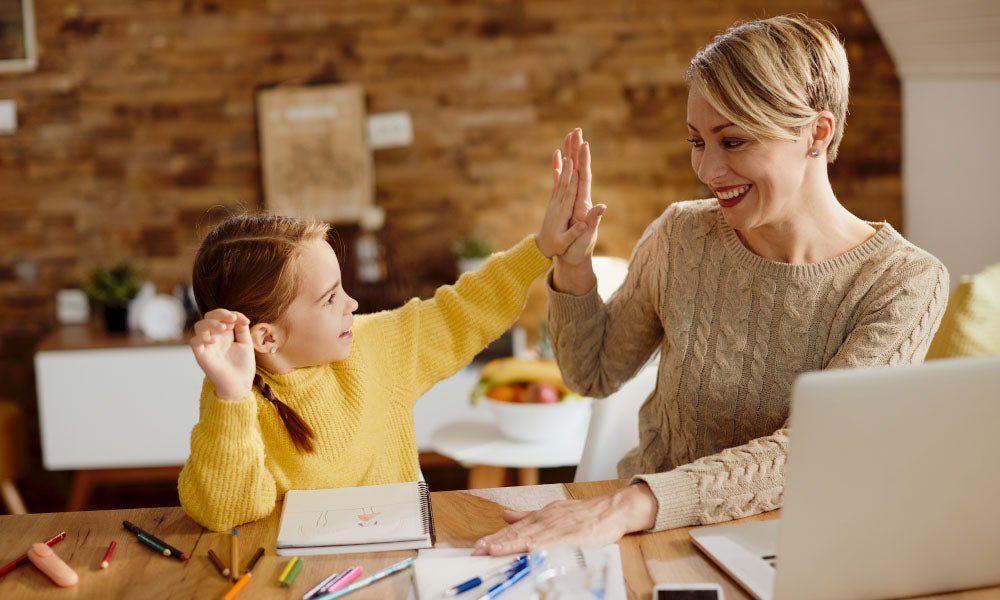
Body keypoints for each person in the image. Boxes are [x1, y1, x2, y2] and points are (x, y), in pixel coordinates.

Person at [473, 14, 948, 556]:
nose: (708, 168)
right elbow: (593, 374)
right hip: (646, 538)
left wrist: (631, 504)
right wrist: (573, 266)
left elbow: (815, 450)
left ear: (818, 133)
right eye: (697, 140)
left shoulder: (904, 281)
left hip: (796, 551)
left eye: (733, 140)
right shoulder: (681, 235)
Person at [177, 160, 604, 532]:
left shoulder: (375, 348)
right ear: (266, 337)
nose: (353, 304)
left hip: (397, 563)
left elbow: (462, 310)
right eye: (330, 298)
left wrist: (541, 249)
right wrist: (230, 397)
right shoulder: (234, 398)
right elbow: (225, 512)